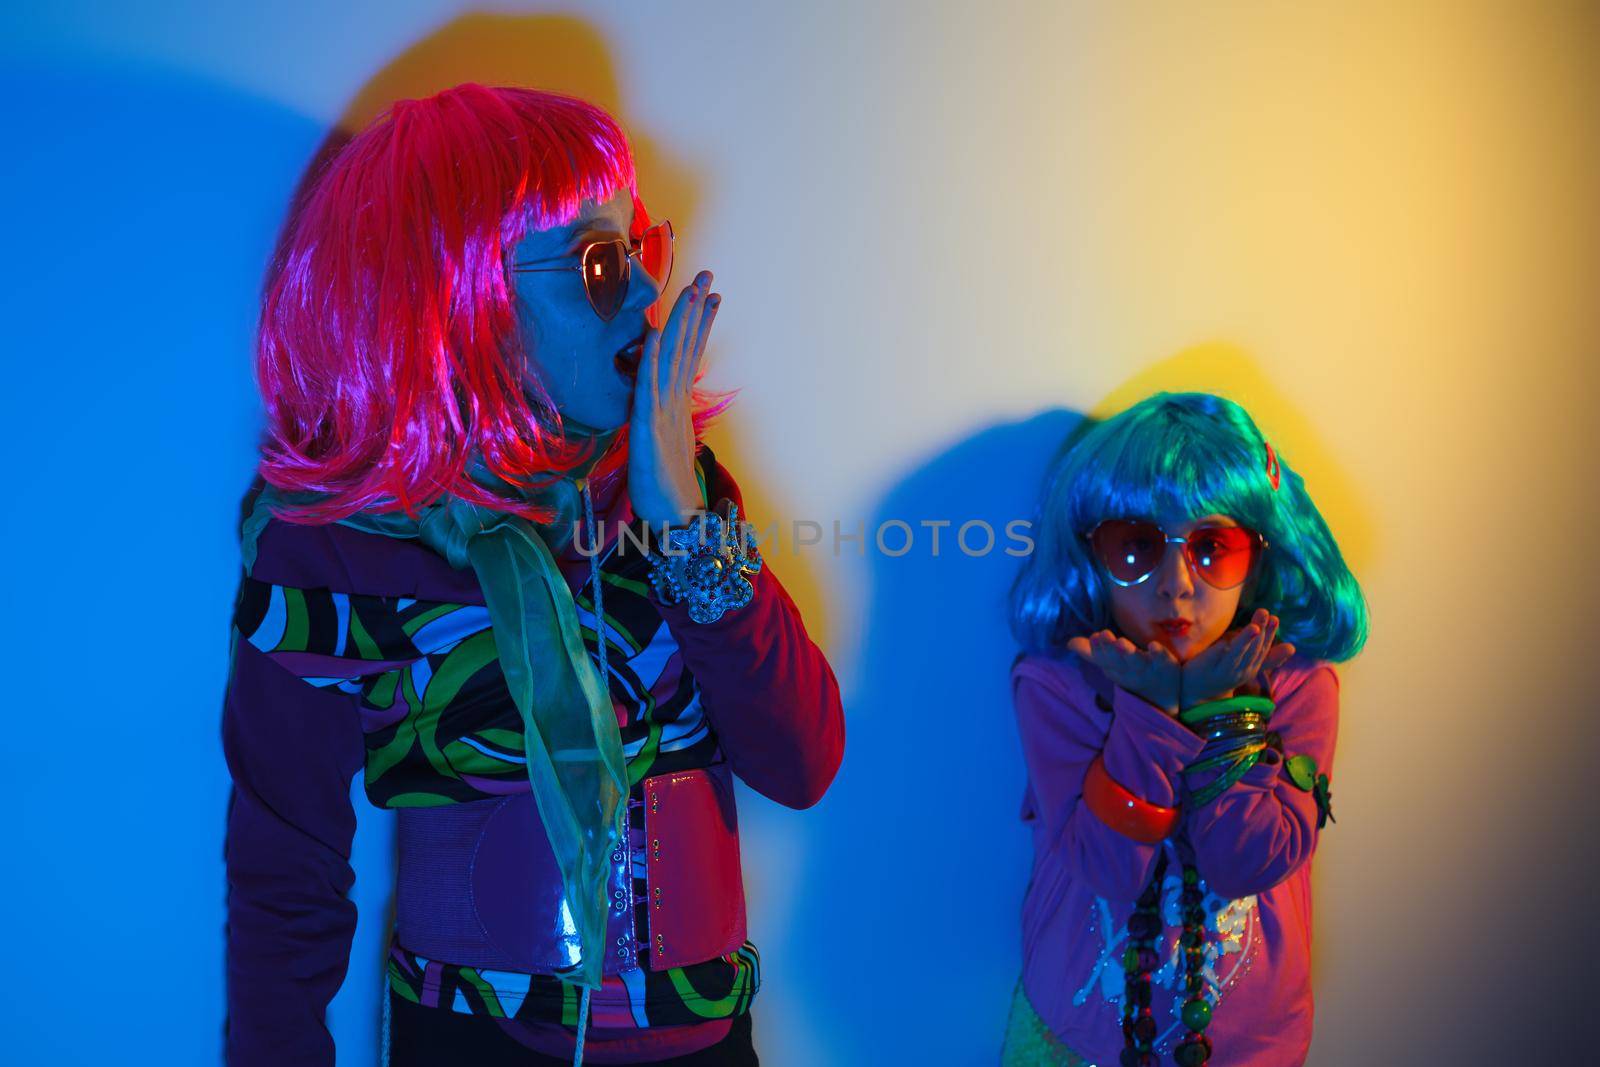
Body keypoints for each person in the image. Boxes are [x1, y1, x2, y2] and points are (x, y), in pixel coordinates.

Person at [222, 83, 845, 1067]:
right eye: (600, 265)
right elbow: (285, 867)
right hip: (473, 1042)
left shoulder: (674, 488)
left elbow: (802, 761)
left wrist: (683, 523)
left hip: (710, 1040)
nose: (647, 299)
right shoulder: (331, 550)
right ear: (456, 297)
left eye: (637, 250)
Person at [1002, 392, 1367, 1066]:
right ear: (1091, 551)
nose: (1176, 584)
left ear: (1257, 555)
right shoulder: (1058, 684)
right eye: (1137, 545)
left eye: (1213, 547)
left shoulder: (1297, 688)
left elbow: (1244, 861)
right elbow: (1109, 867)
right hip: (1069, 1043)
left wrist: (1221, 709)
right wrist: (1149, 713)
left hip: (1249, 1049)